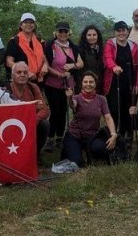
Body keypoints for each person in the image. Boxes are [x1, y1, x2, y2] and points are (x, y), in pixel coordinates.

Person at [102, 20, 138, 160]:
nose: (121, 33)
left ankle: (127, 138)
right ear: (115, 32)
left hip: (129, 82)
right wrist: (114, 67)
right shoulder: (110, 44)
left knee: (128, 111)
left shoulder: (133, 46)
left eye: (124, 30)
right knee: (114, 109)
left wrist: (137, 83)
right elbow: (107, 58)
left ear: (128, 31)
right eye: (118, 30)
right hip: (114, 82)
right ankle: (115, 136)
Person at [62, 71, 118, 166]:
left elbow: (108, 117)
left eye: (91, 82)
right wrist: (70, 97)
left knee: (101, 150)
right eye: (85, 82)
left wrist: (113, 134)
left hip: (92, 136)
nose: (88, 84)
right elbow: (73, 105)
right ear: (82, 84)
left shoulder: (101, 99)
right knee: (77, 163)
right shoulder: (76, 98)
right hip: (74, 135)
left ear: (95, 83)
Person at [43, 22, 83, 151]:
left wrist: (71, 66)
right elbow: (46, 64)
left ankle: (60, 137)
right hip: (52, 83)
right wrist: (59, 74)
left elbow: (81, 64)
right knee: (55, 111)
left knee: (64, 111)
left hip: (68, 85)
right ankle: (50, 138)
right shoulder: (49, 46)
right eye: (60, 31)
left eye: (65, 31)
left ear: (69, 33)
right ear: (56, 32)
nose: (63, 34)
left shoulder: (73, 47)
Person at [8, 61, 52, 164]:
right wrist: (34, 108)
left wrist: (34, 120)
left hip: (31, 122)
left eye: (25, 72)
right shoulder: (6, 88)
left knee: (44, 124)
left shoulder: (33, 87)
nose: (22, 75)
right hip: (13, 123)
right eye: (19, 72)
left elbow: (45, 110)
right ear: (12, 75)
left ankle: (35, 155)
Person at [5, 13, 49, 85]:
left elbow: (44, 59)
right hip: (21, 79)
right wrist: (25, 72)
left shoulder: (40, 41)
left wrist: (45, 65)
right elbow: (9, 62)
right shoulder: (14, 41)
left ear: (34, 25)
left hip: (38, 80)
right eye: (25, 22)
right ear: (21, 25)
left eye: (31, 22)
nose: (28, 24)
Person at [76, 25, 105, 91]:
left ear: (98, 36)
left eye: (94, 35)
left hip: (99, 85)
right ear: (85, 37)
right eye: (89, 35)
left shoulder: (102, 50)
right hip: (85, 85)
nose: (92, 37)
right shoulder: (80, 50)